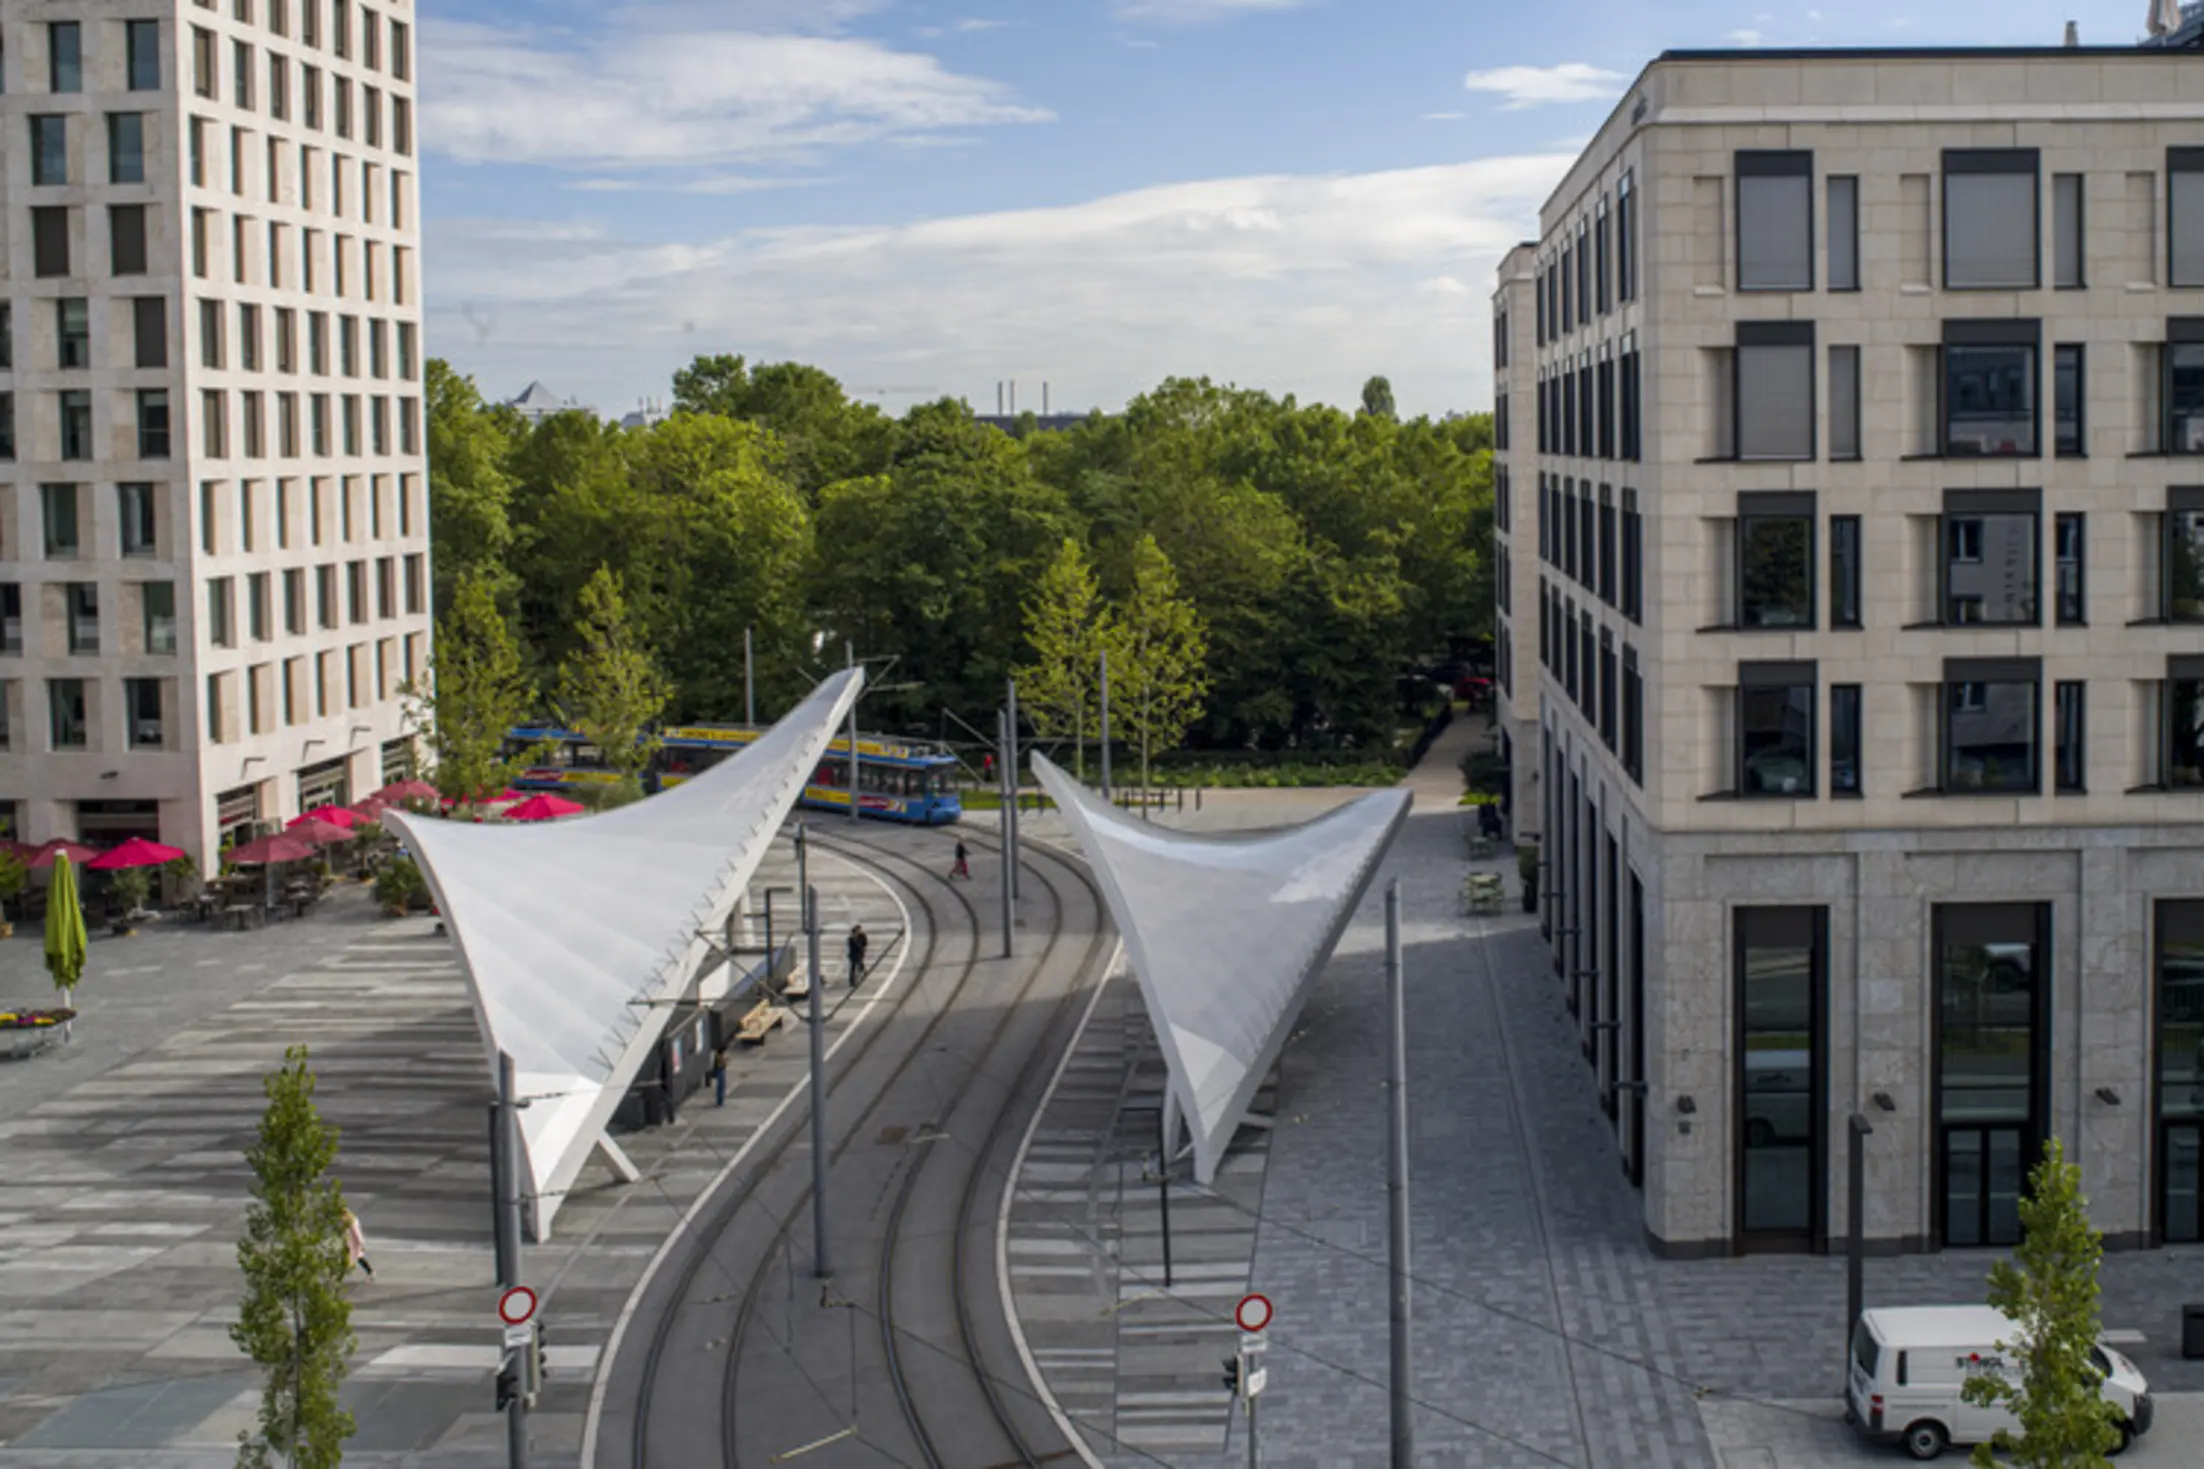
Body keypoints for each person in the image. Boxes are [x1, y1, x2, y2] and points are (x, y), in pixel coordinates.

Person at [342, 1207, 374, 1280]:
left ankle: (370, 1271)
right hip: (350, 1243)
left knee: (358, 1258)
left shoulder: (351, 1222)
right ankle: (370, 1272)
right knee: (357, 1258)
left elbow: (356, 1233)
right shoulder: (350, 1221)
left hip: (354, 1244)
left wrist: (360, 1243)